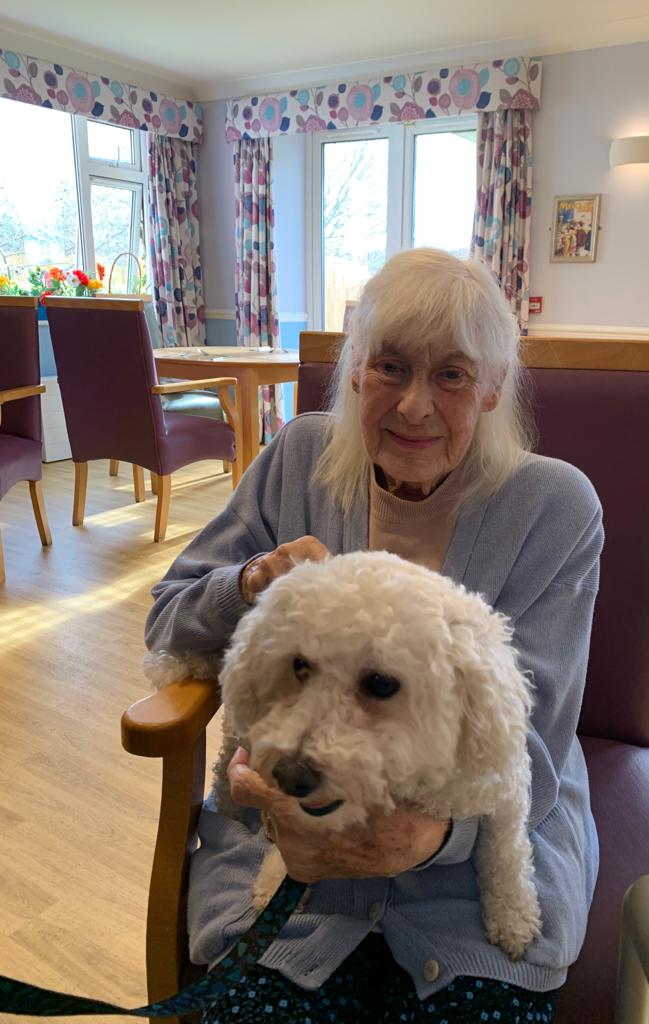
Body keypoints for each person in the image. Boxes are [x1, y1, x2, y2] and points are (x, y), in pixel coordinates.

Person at [145, 248, 604, 1024]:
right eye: (391, 366)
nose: (415, 406)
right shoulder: (300, 458)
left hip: (466, 876)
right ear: (356, 369)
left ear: (493, 387)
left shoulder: (554, 507)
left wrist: (422, 838)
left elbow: (529, 740)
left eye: (452, 375)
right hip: (286, 846)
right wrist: (254, 582)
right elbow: (168, 619)